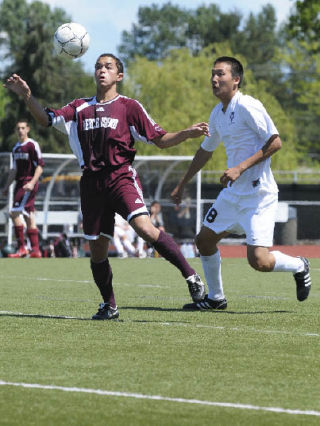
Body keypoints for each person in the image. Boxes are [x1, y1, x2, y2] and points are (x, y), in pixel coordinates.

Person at [4, 53, 209, 320]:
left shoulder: (129, 107)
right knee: (97, 249)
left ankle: (191, 276)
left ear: (119, 76)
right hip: (91, 184)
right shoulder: (79, 107)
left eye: (108, 67)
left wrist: (186, 133)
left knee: (145, 228)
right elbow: (46, 119)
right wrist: (27, 96)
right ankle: (109, 305)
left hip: (121, 178)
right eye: (98, 66)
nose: (102, 70)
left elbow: (159, 139)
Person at [171, 56, 311, 311]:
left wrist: (239, 167)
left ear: (236, 80)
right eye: (212, 74)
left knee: (259, 261)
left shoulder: (248, 106)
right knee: (203, 241)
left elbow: (275, 142)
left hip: (259, 196)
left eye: (220, 74)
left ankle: (300, 265)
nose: (214, 79)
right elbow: (206, 151)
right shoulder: (217, 113)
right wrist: (182, 183)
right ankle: (216, 298)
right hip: (233, 194)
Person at [2, 119, 44, 258]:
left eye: (23, 128)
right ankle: (36, 250)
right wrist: (6, 187)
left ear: (28, 129)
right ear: (16, 131)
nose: (20, 130)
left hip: (28, 184)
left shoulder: (32, 145)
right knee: (28, 216)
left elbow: (40, 166)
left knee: (13, 213)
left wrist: (32, 183)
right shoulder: (16, 148)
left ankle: (22, 248)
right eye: (18, 128)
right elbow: (14, 170)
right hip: (20, 184)